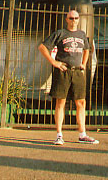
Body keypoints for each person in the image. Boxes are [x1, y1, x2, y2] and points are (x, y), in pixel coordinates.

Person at [38, 9, 99, 145]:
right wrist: (54, 62)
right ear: (66, 19)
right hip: (63, 71)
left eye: (76, 18)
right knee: (61, 102)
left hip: (77, 72)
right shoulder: (60, 34)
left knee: (81, 102)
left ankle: (82, 134)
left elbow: (87, 49)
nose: (74, 21)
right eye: (71, 18)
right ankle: (59, 135)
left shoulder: (82, 35)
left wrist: (83, 63)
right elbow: (42, 47)